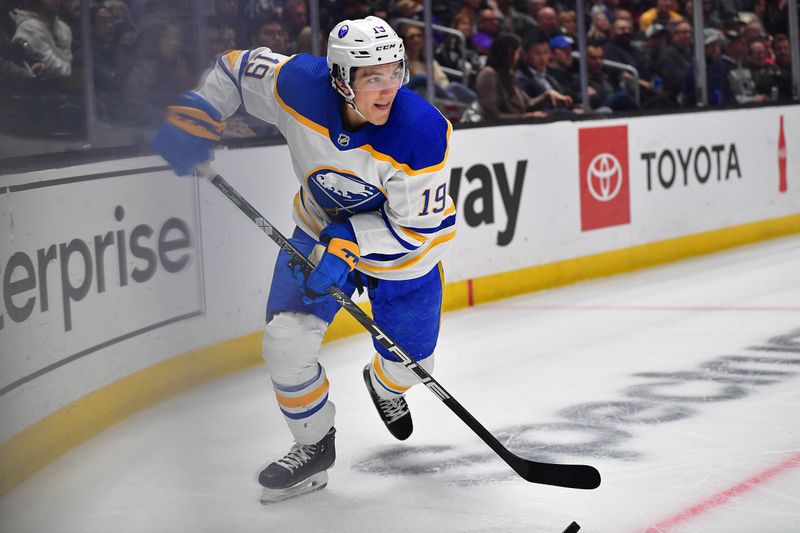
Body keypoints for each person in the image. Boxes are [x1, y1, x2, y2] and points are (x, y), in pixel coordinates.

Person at [152, 15, 454, 502]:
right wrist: (202, 111)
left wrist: (353, 242)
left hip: (400, 256)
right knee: (285, 341)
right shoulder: (298, 84)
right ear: (339, 78)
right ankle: (314, 448)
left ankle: (386, 385)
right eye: (372, 77)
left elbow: (421, 230)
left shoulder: (420, 129)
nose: (387, 89)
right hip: (316, 230)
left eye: (394, 72)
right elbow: (234, 69)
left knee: (412, 366)